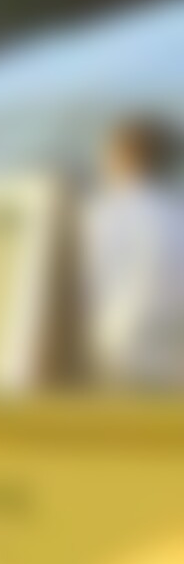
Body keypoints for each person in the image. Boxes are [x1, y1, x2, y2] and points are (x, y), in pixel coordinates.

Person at [81, 116, 184, 389]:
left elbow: (89, 286)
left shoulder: (103, 215)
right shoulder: (178, 213)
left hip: (119, 347)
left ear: (124, 158)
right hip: (173, 350)